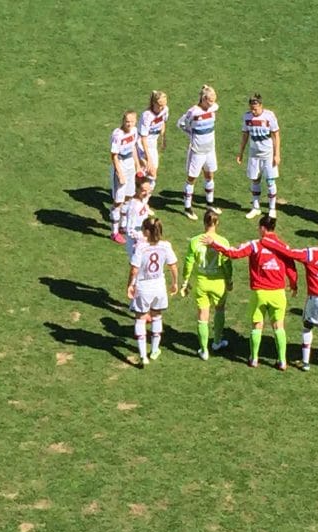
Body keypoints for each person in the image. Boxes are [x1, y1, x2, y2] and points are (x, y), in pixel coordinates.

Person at [205, 215, 297, 370]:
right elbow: (291, 267)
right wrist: (294, 285)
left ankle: (254, 358)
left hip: (260, 293)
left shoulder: (255, 245)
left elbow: (233, 253)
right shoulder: (283, 246)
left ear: (262, 228)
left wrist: (214, 244)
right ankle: (282, 361)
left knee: (257, 326)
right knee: (278, 326)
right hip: (278, 293)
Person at [261, 224, 318, 371]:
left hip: (316, 296)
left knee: (307, 327)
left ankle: (306, 362)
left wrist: (267, 241)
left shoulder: (312, 253)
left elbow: (289, 253)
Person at [181, 209, 234, 360]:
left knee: (202, 315)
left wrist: (185, 281)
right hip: (218, 283)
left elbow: (188, 264)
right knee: (219, 311)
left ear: (204, 222)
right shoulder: (223, 241)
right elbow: (227, 264)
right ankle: (217, 342)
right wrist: (229, 281)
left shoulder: (194, 241)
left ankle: (204, 350)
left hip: (202, 282)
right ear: (217, 223)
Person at [127, 218, 179, 367]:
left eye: (143, 228)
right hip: (159, 287)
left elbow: (134, 270)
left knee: (140, 318)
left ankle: (143, 356)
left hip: (144, 287)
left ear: (147, 232)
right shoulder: (166, 246)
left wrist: (130, 285)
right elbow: (173, 265)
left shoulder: (141, 247)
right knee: (157, 316)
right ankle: (155, 350)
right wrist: (175, 282)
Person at [177, 85, 221, 220]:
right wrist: (192, 134)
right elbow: (181, 123)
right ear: (203, 99)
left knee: (209, 175)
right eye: (210, 100)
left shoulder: (214, 108)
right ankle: (187, 207)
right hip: (197, 151)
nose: (212, 103)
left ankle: (209, 203)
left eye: (214, 100)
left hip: (210, 150)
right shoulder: (193, 112)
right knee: (192, 178)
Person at [237, 93, 281, 219]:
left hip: (268, 154)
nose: (253, 111)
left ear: (261, 106)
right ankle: (256, 207)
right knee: (255, 179)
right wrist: (240, 153)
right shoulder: (247, 117)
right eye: (251, 108)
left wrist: (277, 154)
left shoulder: (269, 116)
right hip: (254, 154)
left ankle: (272, 208)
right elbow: (245, 135)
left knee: (270, 181)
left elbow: (276, 135)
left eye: (255, 108)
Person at [109, 110, 142, 243]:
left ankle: (123, 225)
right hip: (121, 164)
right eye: (127, 121)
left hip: (130, 164)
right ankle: (114, 232)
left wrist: (138, 166)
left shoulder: (134, 131)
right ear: (123, 121)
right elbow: (114, 155)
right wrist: (119, 173)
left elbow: (133, 147)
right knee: (118, 201)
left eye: (131, 121)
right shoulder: (118, 135)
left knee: (129, 196)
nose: (129, 124)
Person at [137, 90, 169, 213]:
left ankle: (143, 203)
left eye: (163, 104)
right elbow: (143, 138)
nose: (161, 107)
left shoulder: (165, 110)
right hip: (142, 145)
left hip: (153, 145)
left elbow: (163, 122)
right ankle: (140, 203)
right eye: (159, 105)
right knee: (150, 174)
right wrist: (148, 157)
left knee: (149, 176)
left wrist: (163, 137)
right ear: (153, 103)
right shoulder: (147, 116)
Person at [123, 174, 153, 258]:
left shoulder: (142, 199)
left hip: (143, 237)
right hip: (135, 242)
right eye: (144, 190)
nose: (147, 193)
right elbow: (130, 230)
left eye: (148, 190)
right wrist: (143, 238)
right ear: (137, 189)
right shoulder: (134, 207)